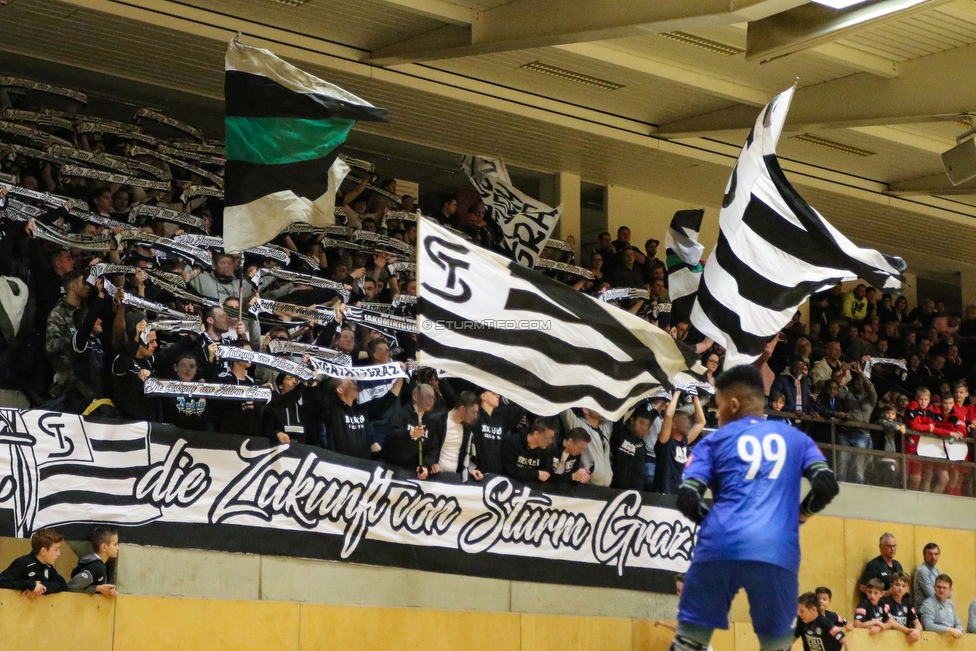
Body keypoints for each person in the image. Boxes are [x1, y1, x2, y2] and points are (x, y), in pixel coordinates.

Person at [669, 366, 838, 651]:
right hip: (776, 549)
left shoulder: (712, 442)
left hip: (720, 547)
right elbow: (826, 486)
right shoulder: (797, 439)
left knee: (689, 642)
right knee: (776, 646)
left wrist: (715, 524)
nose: (718, 415)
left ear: (733, 404)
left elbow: (687, 497)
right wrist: (801, 515)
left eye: (719, 407)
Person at [654, 388, 705, 495]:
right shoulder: (665, 441)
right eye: (684, 421)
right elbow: (668, 416)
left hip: (678, 497)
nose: (688, 424)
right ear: (674, 424)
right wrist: (677, 392)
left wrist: (695, 397)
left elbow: (701, 422)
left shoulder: (684, 442)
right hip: (664, 496)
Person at [0, 528, 68, 597]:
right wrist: (30, 585)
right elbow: (2, 582)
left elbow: (62, 585)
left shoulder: (48, 566)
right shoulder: (23, 563)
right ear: (43, 551)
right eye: (56, 550)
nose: (58, 554)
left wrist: (42, 588)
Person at [501, 416, 558, 483]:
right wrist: (536, 474)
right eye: (547, 438)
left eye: (551, 438)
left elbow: (545, 475)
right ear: (536, 434)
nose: (550, 441)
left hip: (532, 488)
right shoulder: (513, 442)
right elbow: (510, 471)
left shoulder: (546, 449)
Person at [67, 526, 119, 596]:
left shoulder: (99, 565)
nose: (118, 548)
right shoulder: (97, 568)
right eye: (115, 544)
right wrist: (97, 588)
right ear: (104, 547)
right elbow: (71, 586)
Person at [610, 407, 653, 490]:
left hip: (636, 493)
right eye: (641, 422)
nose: (644, 428)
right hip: (616, 491)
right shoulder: (620, 434)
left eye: (647, 425)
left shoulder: (641, 444)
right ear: (632, 420)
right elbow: (619, 415)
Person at [882, 572, 921, 643]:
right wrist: (907, 630)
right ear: (891, 586)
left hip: (902, 641)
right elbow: (891, 622)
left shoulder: (908, 603)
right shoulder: (885, 602)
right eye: (897, 585)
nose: (900, 588)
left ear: (907, 588)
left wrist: (917, 631)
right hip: (887, 639)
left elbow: (917, 624)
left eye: (903, 586)